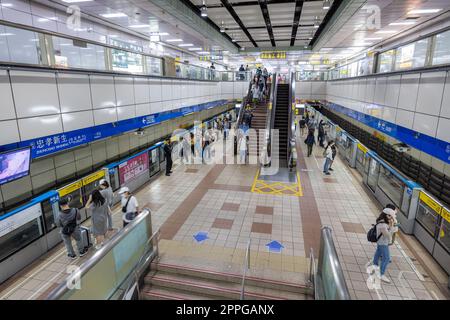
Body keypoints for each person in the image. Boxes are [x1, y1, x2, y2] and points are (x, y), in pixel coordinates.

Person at [372, 209, 395, 283]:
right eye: (389, 216)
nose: (391, 218)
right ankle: (381, 274)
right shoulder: (383, 225)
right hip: (383, 243)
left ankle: (375, 266)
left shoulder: (382, 221)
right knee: (386, 258)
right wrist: (391, 226)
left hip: (380, 242)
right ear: (385, 215)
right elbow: (387, 235)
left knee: (378, 253)